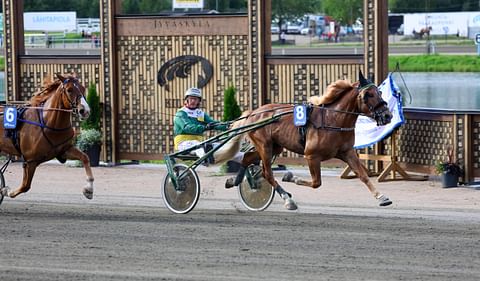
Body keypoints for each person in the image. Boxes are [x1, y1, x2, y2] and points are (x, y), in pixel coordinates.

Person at [173, 87, 228, 163]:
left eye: (196, 99)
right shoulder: (181, 113)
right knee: (200, 145)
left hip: (199, 144)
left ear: (199, 101)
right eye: (191, 98)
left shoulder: (200, 114)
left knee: (223, 147)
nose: (193, 101)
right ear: (186, 100)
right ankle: (206, 160)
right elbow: (187, 127)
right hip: (182, 144)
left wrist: (228, 126)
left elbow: (213, 123)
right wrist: (205, 127)